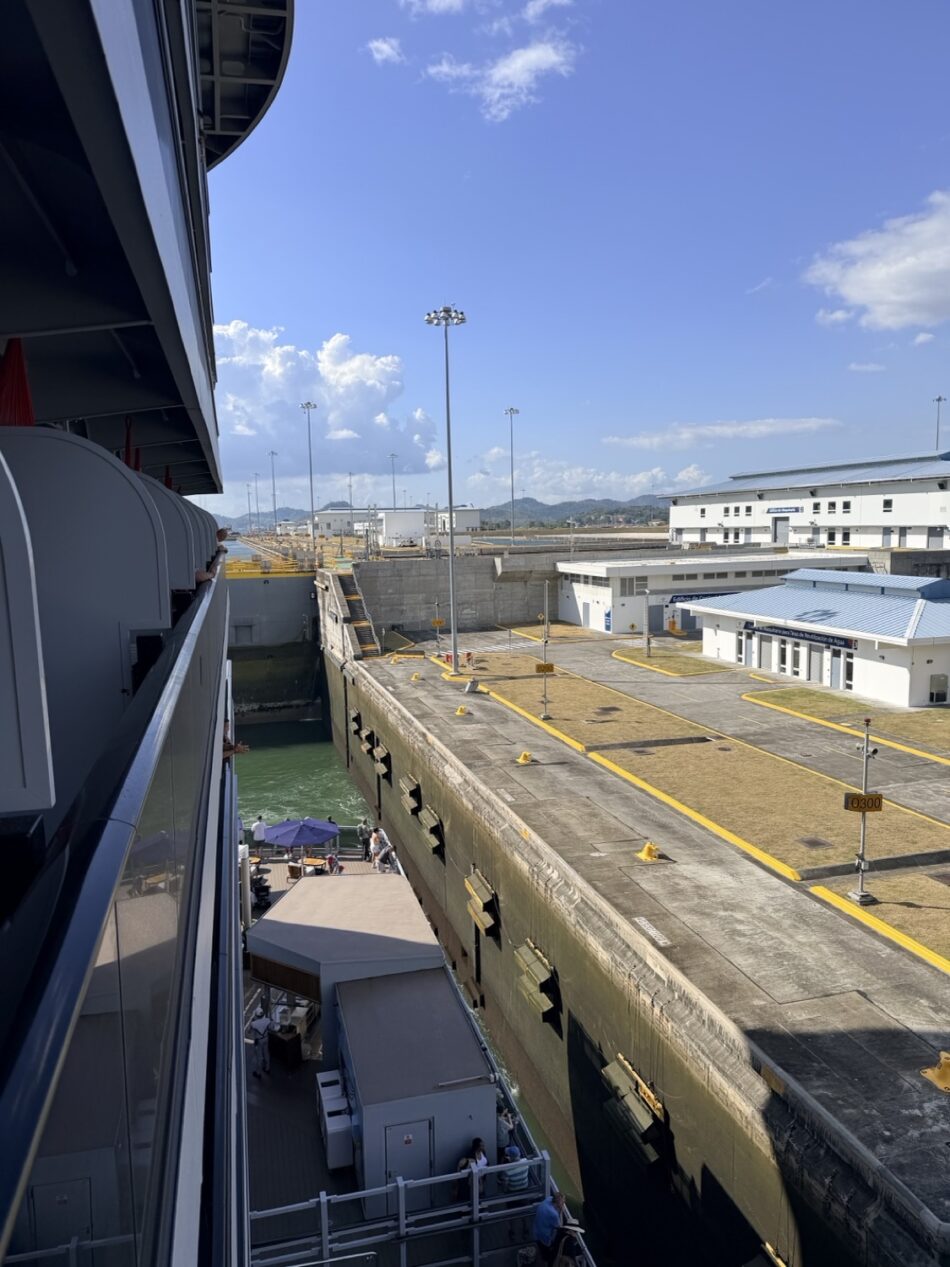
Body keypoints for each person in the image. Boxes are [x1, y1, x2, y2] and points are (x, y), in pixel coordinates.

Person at [533, 1191, 568, 1264]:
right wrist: (561, 1211)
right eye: (563, 1202)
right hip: (544, 1238)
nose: (564, 1203)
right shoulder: (553, 1214)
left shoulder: (548, 1199)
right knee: (547, 1257)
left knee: (541, 1250)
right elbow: (559, 1226)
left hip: (536, 1232)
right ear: (558, 1202)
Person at [248, 1008, 271, 1078]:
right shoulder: (267, 1020)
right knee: (266, 1053)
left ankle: (258, 1073)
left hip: (259, 1041)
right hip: (266, 1038)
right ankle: (267, 1068)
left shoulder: (253, 1024)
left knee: (259, 1057)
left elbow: (249, 1031)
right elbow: (271, 1027)